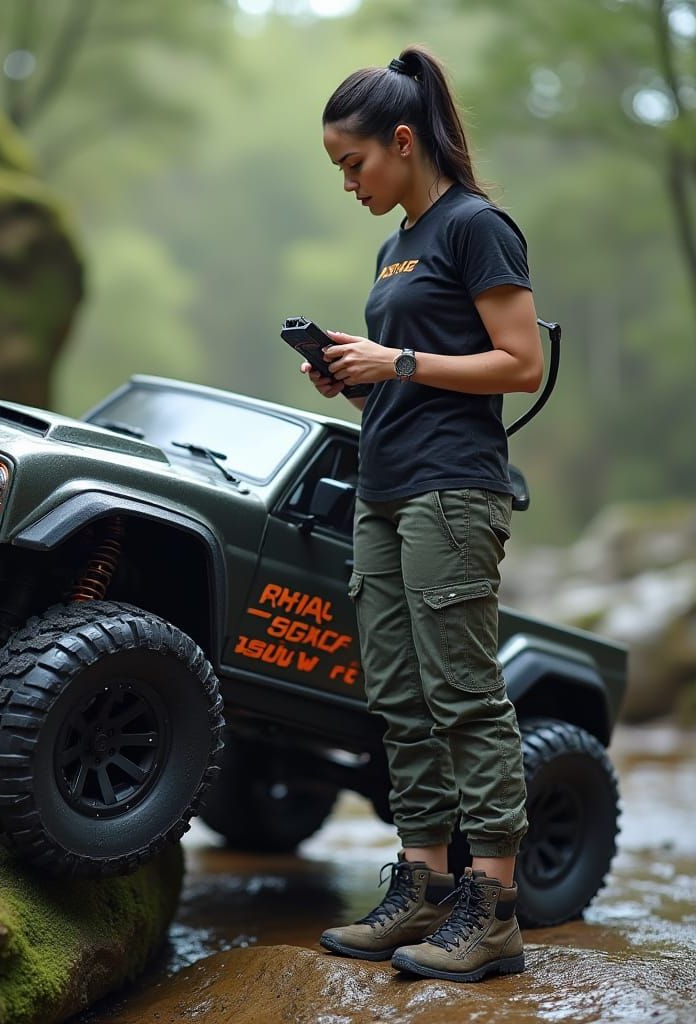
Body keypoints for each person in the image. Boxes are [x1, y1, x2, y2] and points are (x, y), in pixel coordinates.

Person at [307, 46, 544, 982]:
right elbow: (415, 379)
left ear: (403, 142)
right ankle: (422, 890)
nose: (350, 184)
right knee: (400, 701)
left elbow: (518, 362)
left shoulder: (476, 227)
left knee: (463, 694)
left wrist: (395, 361)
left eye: (354, 165)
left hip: (454, 489)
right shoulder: (393, 245)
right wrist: (356, 379)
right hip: (387, 483)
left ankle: (493, 914)